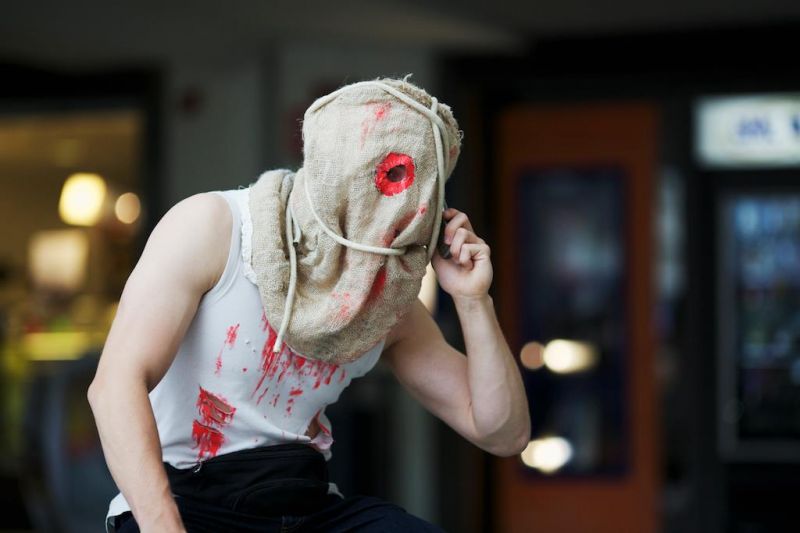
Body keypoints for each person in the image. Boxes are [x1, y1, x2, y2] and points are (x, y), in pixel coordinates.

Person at [88, 77, 530, 533]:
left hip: (303, 499)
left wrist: (473, 299)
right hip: (186, 499)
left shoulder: (386, 301)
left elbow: (504, 433)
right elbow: (114, 387)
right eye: (390, 175)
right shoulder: (214, 227)